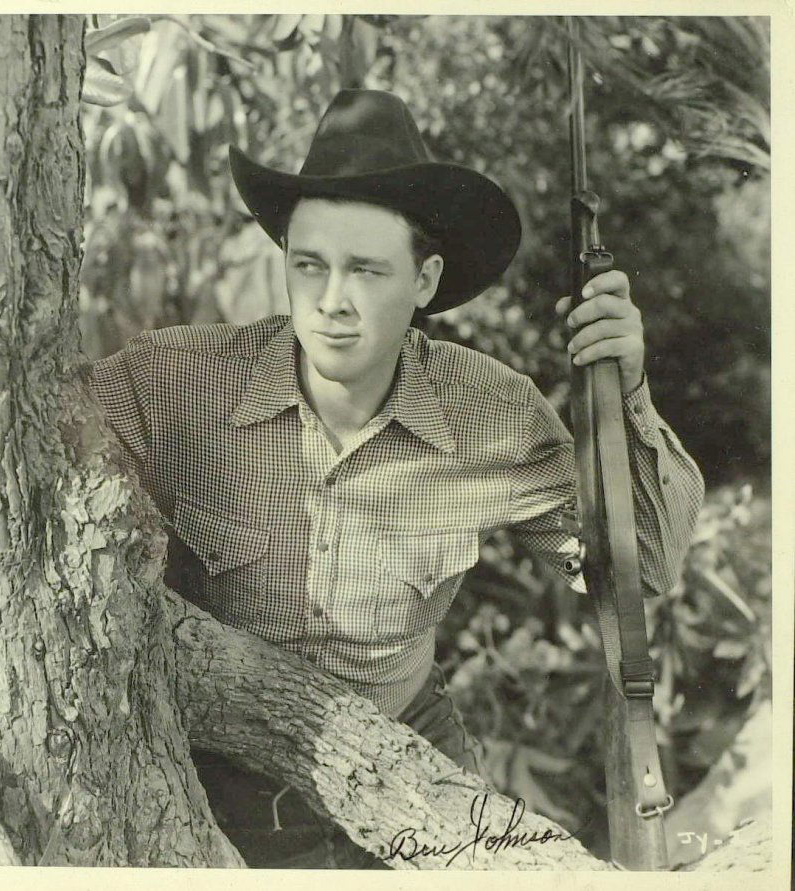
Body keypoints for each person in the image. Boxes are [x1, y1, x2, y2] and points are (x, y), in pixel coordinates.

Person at [88, 89, 704, 868]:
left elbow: (641, 568)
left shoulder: (493, 415)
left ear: (424, 280)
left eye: (367, 270)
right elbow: (35, 454)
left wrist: (629, 392)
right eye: (309, 265)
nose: (331, 302)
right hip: (216, 787)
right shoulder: (173, 381)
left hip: (409, 766)